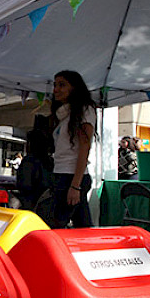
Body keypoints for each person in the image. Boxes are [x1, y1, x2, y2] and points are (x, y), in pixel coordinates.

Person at [49, 69, 97, 228]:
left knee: (56, 225)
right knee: (82, 226)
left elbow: (84, 147)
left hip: (71, 176)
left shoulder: (84, 110)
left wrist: (75, 185)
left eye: (62, 85)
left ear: (74, 88)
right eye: (55, 85)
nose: (56, 89)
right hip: (62, 174)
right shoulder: (64, 115)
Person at [16, 130, 53, 210]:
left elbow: (24, 185)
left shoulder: (29, 161)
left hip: (31, 203)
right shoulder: (50, 161)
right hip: (47, 204)